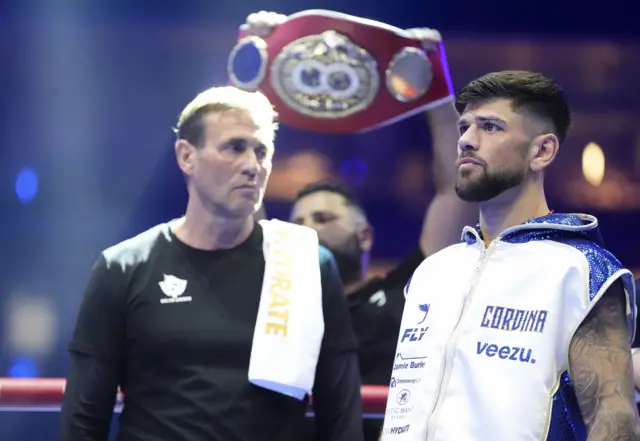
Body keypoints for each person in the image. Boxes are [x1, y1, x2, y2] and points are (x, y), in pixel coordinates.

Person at [59, 86, 364, 441]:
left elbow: (340, 411)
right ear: (187, 157)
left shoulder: (306, 262)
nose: (253, 166)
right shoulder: (125, 266)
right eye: (235, 147)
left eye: (261, 151)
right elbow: (84, 417)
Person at [381, 70, 639, 440]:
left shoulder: (582, 271)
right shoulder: (432, 272)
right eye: (464, 127)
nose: (467, 141)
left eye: (490, 127)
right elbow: (402, 412)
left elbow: (613, 420)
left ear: (542, 151)